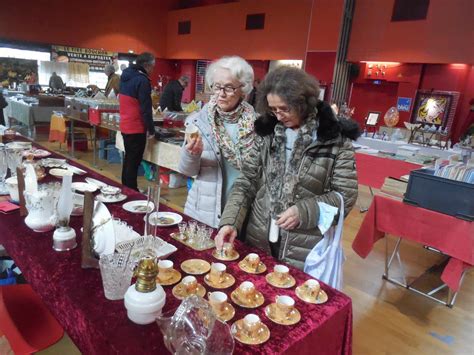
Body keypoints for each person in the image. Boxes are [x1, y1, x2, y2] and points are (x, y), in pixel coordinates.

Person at [215, 66, 360, 270]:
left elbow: (345, 196)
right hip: (259, 238)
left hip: (304, 249)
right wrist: (230, 222)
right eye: (273, 109)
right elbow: (246, 182)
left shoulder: (335, 140)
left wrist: (304, 211)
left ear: (303, 103)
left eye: (284, 109)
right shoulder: (266, 133)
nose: (279, 116)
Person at [178, 56, 256, 228]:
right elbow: (186, 170)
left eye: (229, 87)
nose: (221, 93)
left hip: (243, 214)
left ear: (243, 89)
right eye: (216, 86)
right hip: (204, 211)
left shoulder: (256, 126)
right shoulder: (198, 121)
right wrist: (192, 154)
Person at [119, 52, 156, 191]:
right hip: (136, 126)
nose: (153, 70)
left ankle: (126, 188)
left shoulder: (126, 76)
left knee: (128, 160)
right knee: (133, 162)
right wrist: (151, 130)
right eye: (152, 67)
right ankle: (131, 191)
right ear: (146, 65)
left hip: (125, 124)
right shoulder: (142, 80)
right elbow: (145, 108)